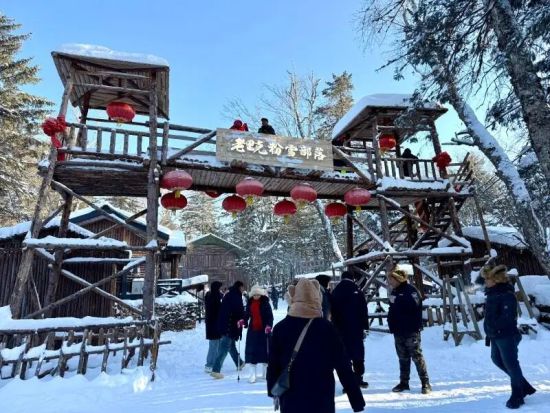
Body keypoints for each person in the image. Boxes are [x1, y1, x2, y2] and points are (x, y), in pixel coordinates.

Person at [267, 278, 365, 413]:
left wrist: (273, 390)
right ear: (317, 299)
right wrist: (356, 400)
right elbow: (343, 366)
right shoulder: (327, 329)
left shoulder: (280, 328)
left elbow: (273, 363)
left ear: (294, 298)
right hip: (321, 397)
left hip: (291, 397)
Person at [483, 265, 536, 409]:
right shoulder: (492, 293)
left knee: (511, 364)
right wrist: (489, 329)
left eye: (487, 278)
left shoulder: (506, 294)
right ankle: (523, 385)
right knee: (496, 359)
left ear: (496, 279)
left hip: (506, 335)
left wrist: (492, 327)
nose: (485, 281)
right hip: (495, 335)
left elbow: (507, 317)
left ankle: (518, 394)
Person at [387, 268, 431, 394]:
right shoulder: (394, 292)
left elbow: (415, 308)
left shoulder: (412, 291)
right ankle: (404, 383)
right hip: (398, 331)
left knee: (417, 357)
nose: (390, 281)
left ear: (398, 279)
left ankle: (425, 383)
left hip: (411, 331)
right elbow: (392, 309)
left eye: (392, 279)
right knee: (403, 358)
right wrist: (392, 324)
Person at [331, 271, 370, 389]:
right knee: (358, 353)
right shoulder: (357, 290)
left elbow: (333, 311)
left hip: (341, 329)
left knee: (345, 355)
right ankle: (358, 378)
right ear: (352, 278)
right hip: (356, 328)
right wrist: (365, 327)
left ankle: (348, 383)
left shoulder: (336, 291)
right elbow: (363, 309)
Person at [211, 280, 246, 379]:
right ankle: (216, 370)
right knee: (224, 348)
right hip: (229, 326)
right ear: (239, 287)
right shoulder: (236, 297)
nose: (243, 289)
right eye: (242, 287)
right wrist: (241, 319)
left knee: (231, 346)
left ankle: (239, 363)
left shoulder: (230, 295)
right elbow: (238, 312)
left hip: (226, 325)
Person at [244, 285, 274, 383]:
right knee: (253, 351)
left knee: (265, 351)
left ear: (261, 294)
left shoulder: (265, 303)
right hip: (253, 330)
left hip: (264, 330)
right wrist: (243, 321)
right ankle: (252, 375)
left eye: (258, 294)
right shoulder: (250, 303)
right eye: (254, 295)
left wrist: (269, 326)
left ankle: (265, 373)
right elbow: (247, 314)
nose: (256, 296)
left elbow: (270, 316)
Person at [204, 281, 223, 373]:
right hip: (214, 325)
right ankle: (209, 364)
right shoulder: (214, 298)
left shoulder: (211, 296)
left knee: (215, 345)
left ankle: (212, 363)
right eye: (219, 288)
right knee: (214, 346)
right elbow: (218, 311)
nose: (220, 290)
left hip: (213, 325)